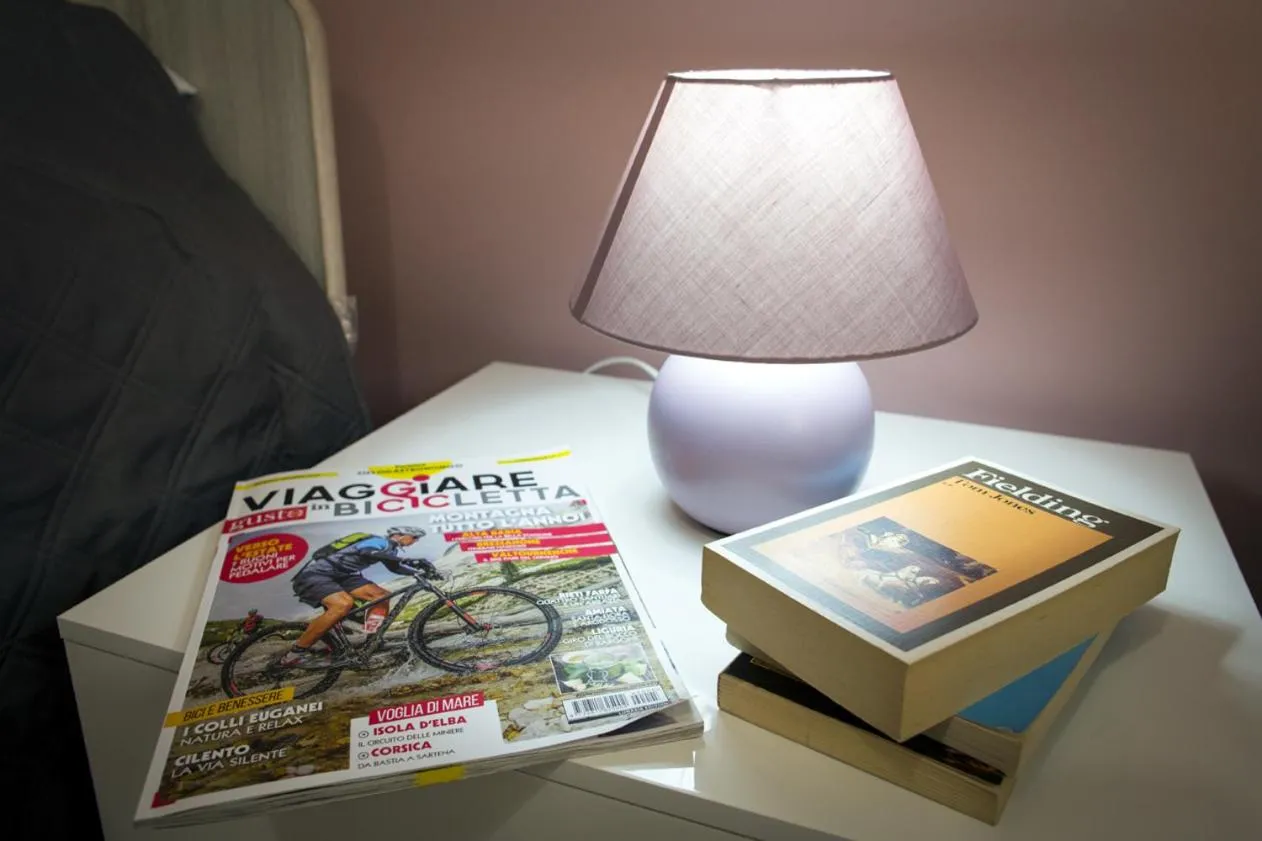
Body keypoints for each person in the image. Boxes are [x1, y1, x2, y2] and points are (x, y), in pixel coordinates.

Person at [282, 526, 437, 666]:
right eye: (415, 537)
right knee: (342, 605)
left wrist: (420, 572)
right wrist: (407, 560)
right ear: (400, 535)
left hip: (343, 576)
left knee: (381, 596)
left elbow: (395, 567)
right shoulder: (378, 541)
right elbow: (367, 551)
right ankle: (295, 653)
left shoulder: (391, 550)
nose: (415, 541)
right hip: (318, 574)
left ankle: (371, 639)